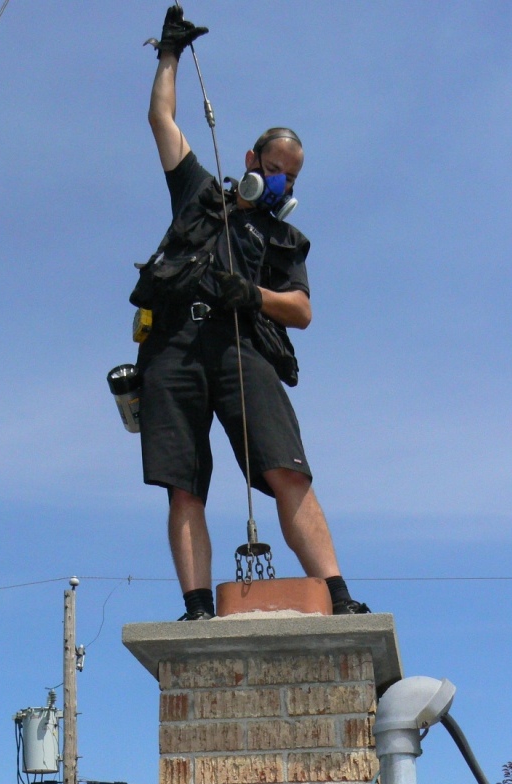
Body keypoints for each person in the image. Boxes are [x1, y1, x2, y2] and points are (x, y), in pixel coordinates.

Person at [133, 5, 370, 620]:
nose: (280, 184)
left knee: (287, 470)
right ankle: (196, 607)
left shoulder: (285, 240)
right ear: (250, 159)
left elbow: (302, 310)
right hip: (174, 348)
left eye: (291, 178)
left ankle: (339, 596)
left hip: (243, 347)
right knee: (184, 485)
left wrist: (250, 296)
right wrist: (169, 55)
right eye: (273, 169)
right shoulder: (198, 194)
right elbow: (162, 119)